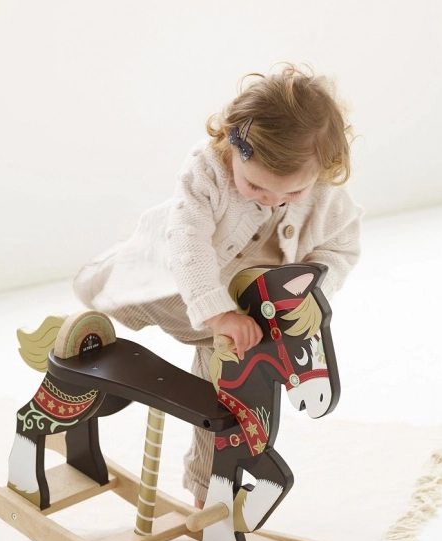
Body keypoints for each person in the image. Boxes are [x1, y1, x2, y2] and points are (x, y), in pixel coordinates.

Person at [74, 64, 363, 509]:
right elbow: (188, 242)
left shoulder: (327, 195)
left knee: (227, 387)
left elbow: (341, 248)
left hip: (244, 305)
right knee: (108, 292)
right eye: (256, 185)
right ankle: (101, 277)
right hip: (174, 273)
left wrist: (308, 291)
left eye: (291, 194)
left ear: (326, 169)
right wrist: (216, 310)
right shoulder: (207, 169)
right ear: (230, 143)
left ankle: (208, 489)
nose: (272, 200)